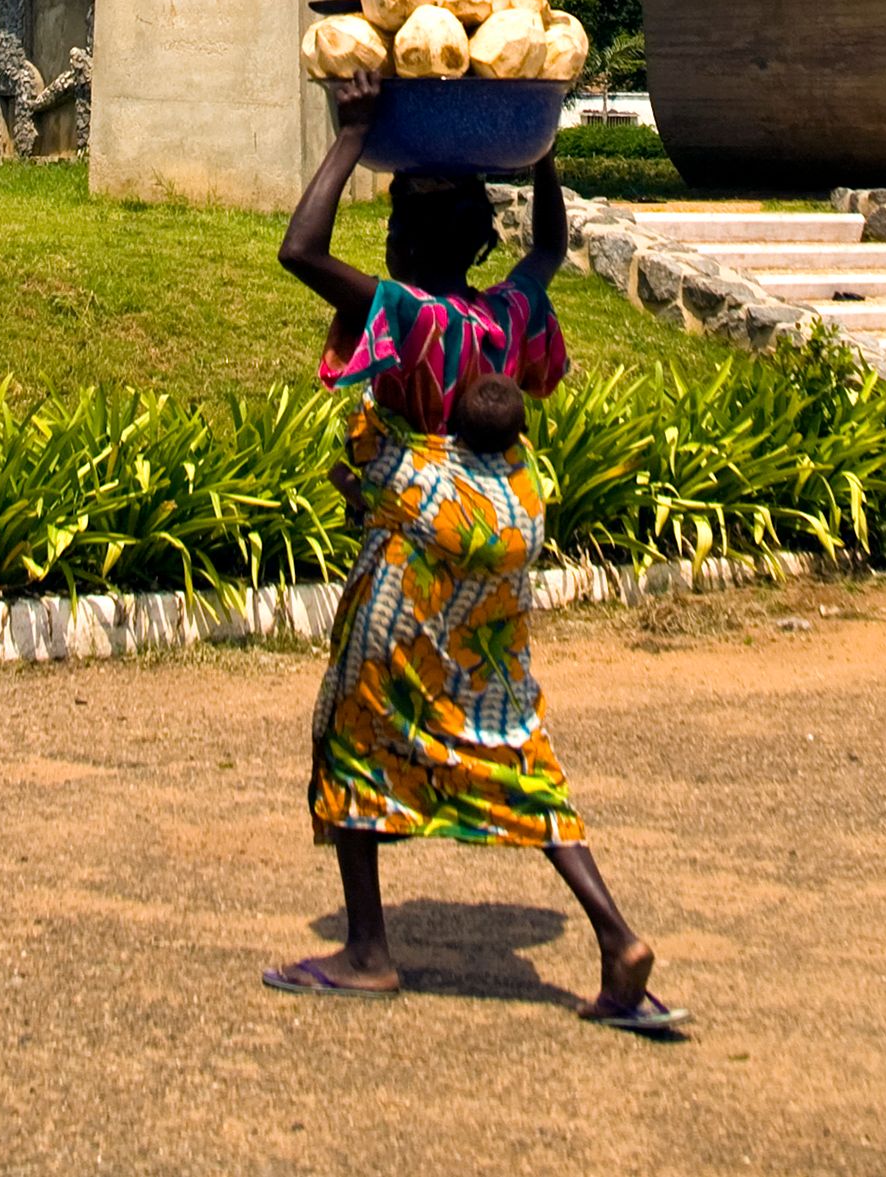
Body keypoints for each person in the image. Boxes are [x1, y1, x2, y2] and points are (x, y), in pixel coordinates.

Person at [263, 67, 685, 1032]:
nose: (391, 238)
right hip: (502, 531)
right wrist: (542, 155)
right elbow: (549, 244)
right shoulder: (507, 313)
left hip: (420, 545)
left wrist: (350, 133)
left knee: (356, 721)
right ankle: (616, 938)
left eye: (398, 226)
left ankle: (368, 951)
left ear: (413, 240)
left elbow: (298, 248)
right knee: (505, 729)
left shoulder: (413, 316)